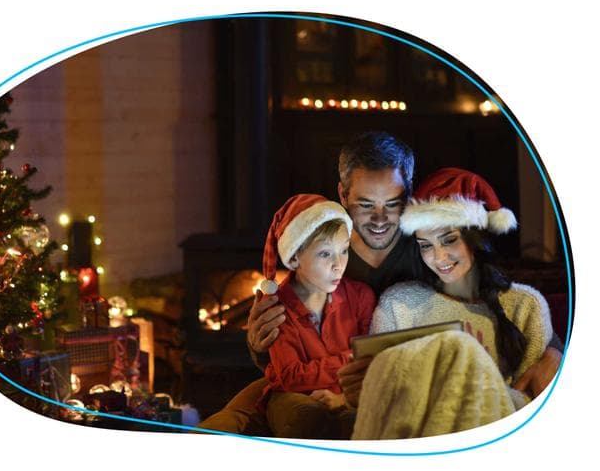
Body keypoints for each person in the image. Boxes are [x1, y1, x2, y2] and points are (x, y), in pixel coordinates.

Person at [196, 131, 563, 436]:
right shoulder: (324, 247)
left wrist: (552, 352)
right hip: (314, 381)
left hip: (375, 384)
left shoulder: (425, 244)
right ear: (342, 195)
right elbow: (288, 337)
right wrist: (259, 344)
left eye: (393, 203)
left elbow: (499, 300)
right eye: (365, 204)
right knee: (236, 419)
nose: (379, 219)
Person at [351, 167, 553, 438]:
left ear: (475, 239)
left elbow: (531, 409)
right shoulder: (399, 304)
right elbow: (383, 401)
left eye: (449, 240)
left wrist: (474, 376)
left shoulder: (525, 305)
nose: (439, 256)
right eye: (425, 245)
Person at [255, 194, 376, 438]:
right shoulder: (276, 307)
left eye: (344, 251)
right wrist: (350, 358)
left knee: (353, 420)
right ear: (295, 257)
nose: (338, 264)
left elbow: (371, 362)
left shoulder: (360, 296)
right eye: (325, 254)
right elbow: (290, 377)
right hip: (295, 400)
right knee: (307, 417)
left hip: (348, 396)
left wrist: (343, 396)